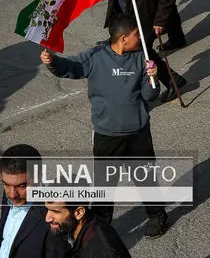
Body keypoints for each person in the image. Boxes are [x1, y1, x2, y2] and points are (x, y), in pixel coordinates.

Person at [40, 14, 168, 238]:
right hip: (107, 136)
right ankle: (96, 231)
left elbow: (149, 95)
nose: (141, 39)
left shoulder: (142, 57)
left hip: (138, 133)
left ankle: (157, 215)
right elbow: (70, 67)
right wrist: (53, 61)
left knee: (146, 178)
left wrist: (153, 78)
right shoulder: (96, 56)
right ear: (124, 38)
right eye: (137, 35)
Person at [0, 144, 66, 258]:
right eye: (6, 184)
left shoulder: (54, 215)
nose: (12, 195)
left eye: (22, 186)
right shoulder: (10, 194)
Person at [45, 201, 131, 258]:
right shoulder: (65, 227)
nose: (47, 218)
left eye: (55, 211)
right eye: (48, 209)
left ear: (79, 213)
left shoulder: (105, 253)